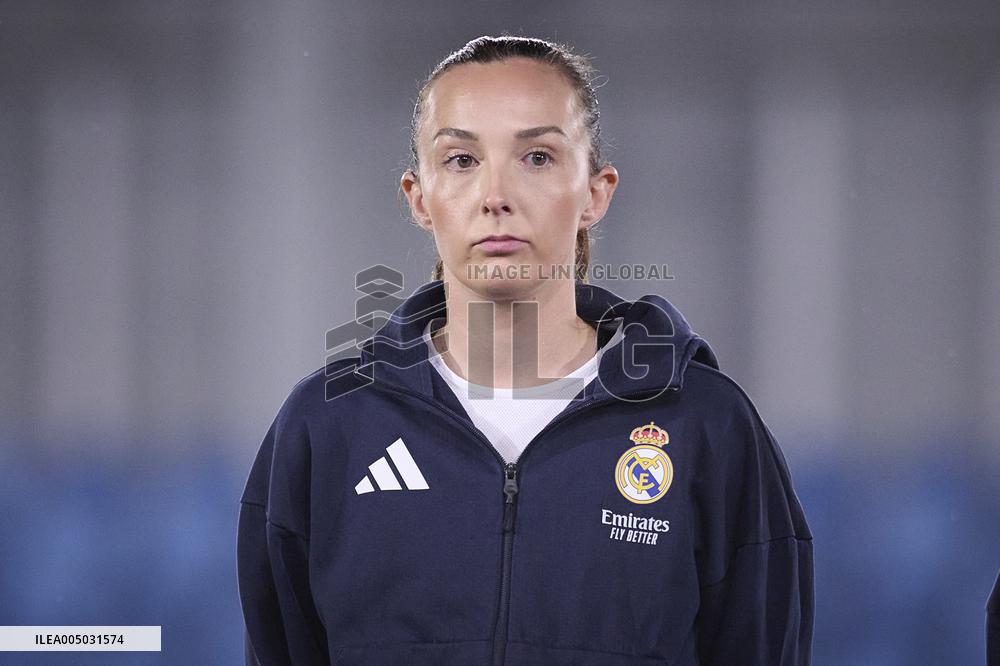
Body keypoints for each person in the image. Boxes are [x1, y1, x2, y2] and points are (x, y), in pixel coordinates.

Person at [237, 35, 814, 665]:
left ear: (596, 192)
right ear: (418, 196)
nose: (496, 195)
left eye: (537, 157)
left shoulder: (707, 425)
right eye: (461, 160)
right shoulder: (328, 427)